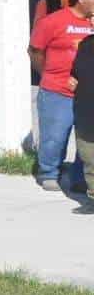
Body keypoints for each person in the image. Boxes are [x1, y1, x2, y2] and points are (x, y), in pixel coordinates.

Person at [28, 0, 94, 195]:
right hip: (57, 91)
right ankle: (48, 173)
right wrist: (48, 74)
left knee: (86, 138)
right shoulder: (53, 21)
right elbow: (35, 50)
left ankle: (79, 178)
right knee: (55, 136)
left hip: (86, 95)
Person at [69, 30, 94, 213]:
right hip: (86, 109)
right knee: (89, 157)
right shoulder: (86, 44)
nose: (92, 20)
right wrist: (74, 79)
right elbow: (76, 71)